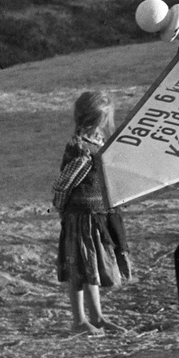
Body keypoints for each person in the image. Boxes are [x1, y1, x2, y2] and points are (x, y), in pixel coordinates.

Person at [53, 90, 133, 335]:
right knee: (79, 268)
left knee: (91, 268)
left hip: (95, 217)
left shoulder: (95, 144)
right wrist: (61, 208)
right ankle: (79, 321)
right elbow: (63, 185)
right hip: (81, 219)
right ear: (99, 121)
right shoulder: (82, 152)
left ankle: (96, 317)